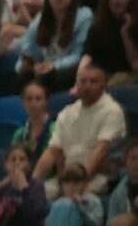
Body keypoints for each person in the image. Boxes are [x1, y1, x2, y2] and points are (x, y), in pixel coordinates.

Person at [33, 62, 127, 198]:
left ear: (104, 85)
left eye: (93, 81)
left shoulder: (112, 111)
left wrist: (76, 185)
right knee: (33, 196)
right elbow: (52, 151)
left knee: (67, 203)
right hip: (67, 177)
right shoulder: (67, 113)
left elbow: (101, 152)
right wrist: (33, 183)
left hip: (98, 177)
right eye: (83, 81)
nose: (87, 86)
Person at [17, 0, 92, 92]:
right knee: (25, 77)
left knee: (45, 78)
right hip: (44, 71)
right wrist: (25, 66)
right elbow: (27, 51)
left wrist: (53, 66)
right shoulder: (40, 19)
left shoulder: (84, 17)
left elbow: (79, 55)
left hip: (69, 73)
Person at [28, 163, 105, 226]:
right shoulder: (56, 204)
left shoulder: (93, 201)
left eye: (76, 182)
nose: (71, 186)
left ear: (85, 183)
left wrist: (81, 208)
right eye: (67, 182)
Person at [81, 0, 138, 86]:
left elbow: (135, 65)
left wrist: (125, 32)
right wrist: (79, 80)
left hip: (128, 75)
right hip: (100, 74)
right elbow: (87, 56)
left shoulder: (134, 26)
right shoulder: (98, 26)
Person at [11, 79, 55, 161]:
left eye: (38, 99)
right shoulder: (19, 134)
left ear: (46, 102)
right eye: (29, 99)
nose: (33, 103)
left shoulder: (56, 129)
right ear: (23, 102)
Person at [109, 139, 138, 223]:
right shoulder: (118, 194)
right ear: (125, 163)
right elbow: (111, 225)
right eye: (133, 158)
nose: (137, 162)